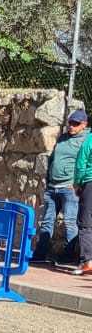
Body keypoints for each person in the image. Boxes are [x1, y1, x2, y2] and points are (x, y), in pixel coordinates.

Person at [37, 107, 86, 264]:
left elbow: (85, 163)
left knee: (70, 222)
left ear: (84, 124)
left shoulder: (86, 140)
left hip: (69, 188)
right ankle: (40, 254)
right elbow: (53, 158)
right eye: (70, 122)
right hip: (53, 186)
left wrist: (77, 183)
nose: (71, 126)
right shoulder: (63, 138)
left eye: (75, 123)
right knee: (47, 221)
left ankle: (70, 256)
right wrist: (48, 178)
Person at [75, 118, 92, 277]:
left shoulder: (89, 140)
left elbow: (81, 163)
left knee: (85, 223)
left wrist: (77, 183)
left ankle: (88, 262)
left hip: (89, 183)